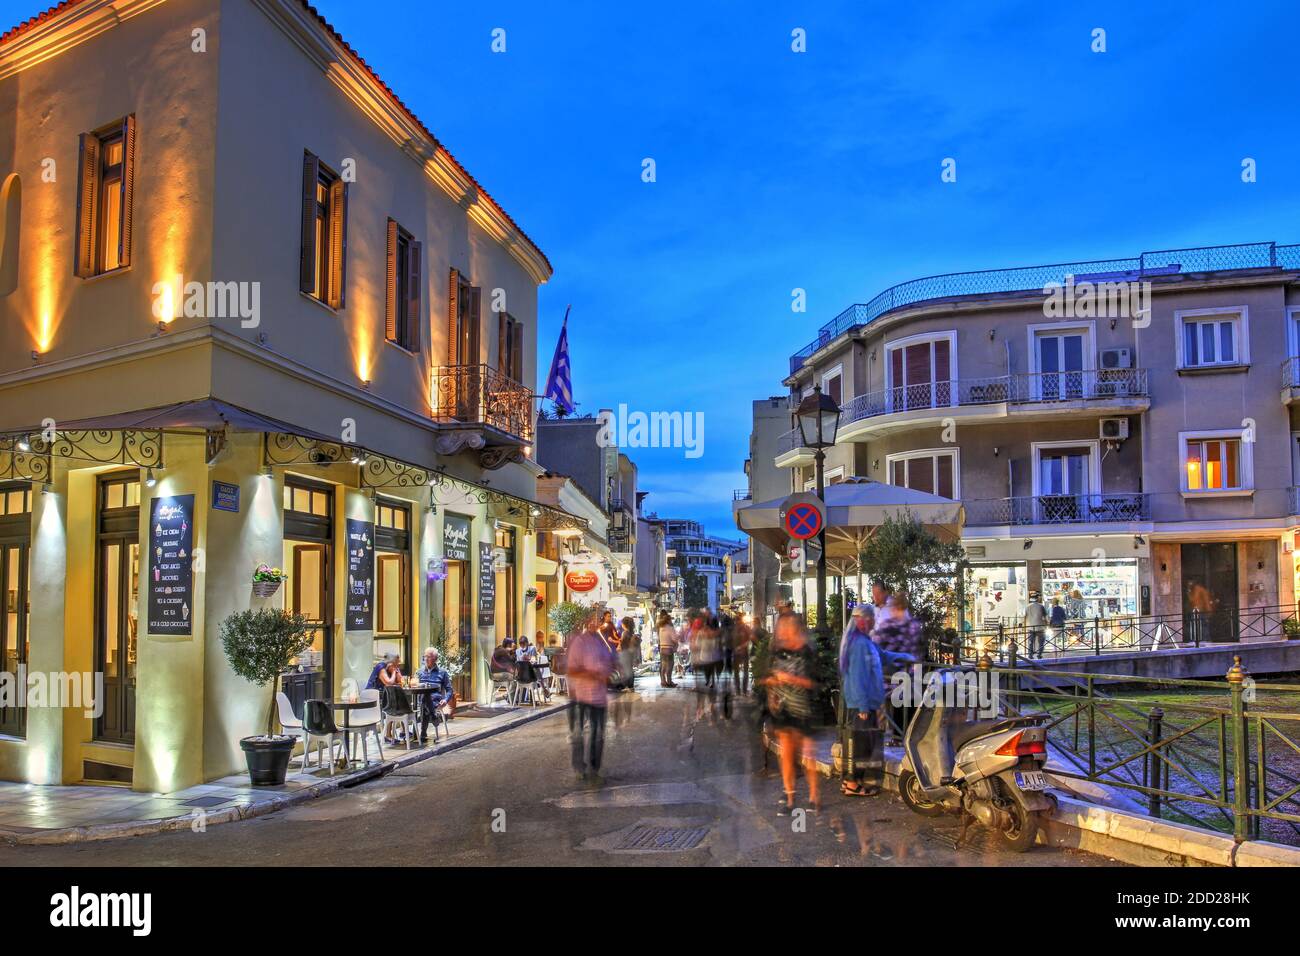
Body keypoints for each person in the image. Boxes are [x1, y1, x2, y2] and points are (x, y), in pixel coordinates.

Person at [839, 605, 915, 796]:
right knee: (862, 743)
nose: (874, 622)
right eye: (871, 618)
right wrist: (863, 706)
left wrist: (905, 656)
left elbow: (882, 656)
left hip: (865, 702)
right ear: (862, 620)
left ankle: (850, 781)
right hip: (862, 704)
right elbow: (857, 676)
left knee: (862, 741)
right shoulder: (859, 644)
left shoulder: (864, 641)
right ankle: (852, 784)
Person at [763, 605, 819, 814]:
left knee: (808, 753)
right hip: (784, 707)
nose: (783, 632)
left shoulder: (806, 652)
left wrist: (789, 679)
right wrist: (772, 687)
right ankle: (789, 797)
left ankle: (813, 796)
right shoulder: (780, 652)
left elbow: (812, 683)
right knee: (786, 753)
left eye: (787, 628)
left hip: (803, 706)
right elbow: (774, 675)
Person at [567, 612, 615, 784]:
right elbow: (572, 669)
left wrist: (609, 673)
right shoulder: (579, 643)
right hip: (581, 695)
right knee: (579, 734)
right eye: (593, 621)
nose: (596, 624)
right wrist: (593, 674)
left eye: (598, 621)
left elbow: (608, 663)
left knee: (598, 734)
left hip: (599, 697)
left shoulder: (601, 642)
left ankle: (595, 768)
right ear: (587, 623)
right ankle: (579, 767)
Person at [415, 647, 452, 745]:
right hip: (420, 699)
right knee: (424, 697)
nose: (426, 659)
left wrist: (445, 700)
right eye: (425, 656)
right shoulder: (419, 672)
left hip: (436, 700)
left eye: (429, 657)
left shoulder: (442, 672)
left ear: (435, 659)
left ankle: (422, 733)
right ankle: (434, 716)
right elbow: (413, 684)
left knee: (425, 698)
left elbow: (449, 690)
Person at [656, 611, 678, 687]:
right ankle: (669, 681)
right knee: (670, 665)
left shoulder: (660, 628)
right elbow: (674, 639)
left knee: (663, 665)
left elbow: (659, 638)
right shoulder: (670, 628)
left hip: (662, 648)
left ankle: (663, 681)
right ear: (668, 620)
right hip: (669, 648)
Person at [1024, 592, 1047, 659]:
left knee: (1031, 642)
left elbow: (1025, 617)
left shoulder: (1027, 607)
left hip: (1030, 626)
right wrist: (1046, 624)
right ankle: (1039, 654)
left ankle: (1030, 655)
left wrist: (1024, 626)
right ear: (1037, 598)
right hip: (1040, 626)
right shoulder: (1041, 606)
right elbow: (1045, 617)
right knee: (1041, 642)